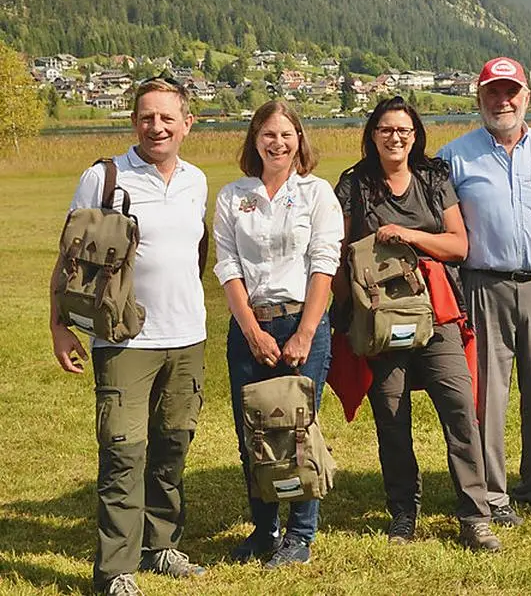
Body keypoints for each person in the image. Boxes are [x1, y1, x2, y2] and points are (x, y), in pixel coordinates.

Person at [50, 77, 209, 595]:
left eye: (167, 117)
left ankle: (160, 546)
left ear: (188, 123)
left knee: (172, 446)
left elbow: (196, 254)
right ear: (133, 120)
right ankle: (116, 571)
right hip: (123, 342)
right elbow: (69, 259)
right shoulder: (104, 179)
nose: (155, 126)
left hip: (188, 338)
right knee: (124, 451)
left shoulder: (196, 180)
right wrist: (60, 325)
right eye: (146, 116)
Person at [332, 96, 500, 552]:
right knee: (391, 417)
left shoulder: (432, 177)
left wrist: (408, 236)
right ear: (372, 134)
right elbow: (338, 252)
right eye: (386, 129)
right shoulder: (354, 184)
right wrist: (344, 317)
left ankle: (474, 515)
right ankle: (403, 513)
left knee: (461, 411)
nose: (395, 137)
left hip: (438, 314)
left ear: (415, 134)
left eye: (404, 130)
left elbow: (458, 245)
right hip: (380, 322)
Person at [437, 58, 531, 527]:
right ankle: (492, 495)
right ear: (479, 98)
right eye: (493, 93)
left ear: (527, 97)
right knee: (487, 396)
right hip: (484, 285)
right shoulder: (454, 156)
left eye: (511, 92)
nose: (503, 101)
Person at [212, 100, 343, 568]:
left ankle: (300, 534)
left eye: (286, 134)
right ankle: (264, 529)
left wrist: (305, 333)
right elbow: (226, 265)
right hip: (251, 326)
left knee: (298, 429)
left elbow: (324, 263)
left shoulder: (316, 193)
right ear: (255, 140)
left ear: (299, 140)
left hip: (301, 322)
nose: (277, 143)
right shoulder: (233, 196)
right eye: (268, 134)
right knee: (253, 432)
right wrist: (250, 329)